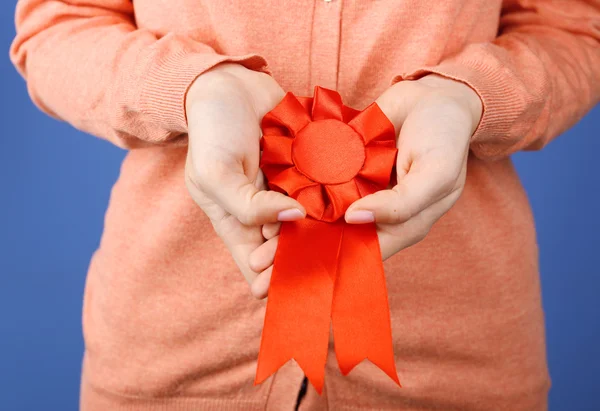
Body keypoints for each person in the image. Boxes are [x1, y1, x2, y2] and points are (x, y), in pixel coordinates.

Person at [10, 0, 600, 410]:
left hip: (458, 355)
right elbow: (59, 26)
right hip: (176, 348)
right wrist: (190, 87)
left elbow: (575, 29)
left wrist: (472, 96)